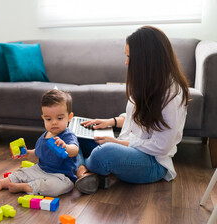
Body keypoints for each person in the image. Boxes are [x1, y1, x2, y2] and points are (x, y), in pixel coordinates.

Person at [75, 26, 190, 194]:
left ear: (146, 59)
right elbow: (135, 118)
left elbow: (161, 147)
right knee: (74, 132)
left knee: (105, 152)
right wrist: (110, 122)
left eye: (129, 56)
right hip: (127, 145)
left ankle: (81, 170)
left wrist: (117, 143)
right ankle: (89, 173)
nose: (126, 62)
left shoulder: (172, 96)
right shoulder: (148, 82)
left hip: (152, 163)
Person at [0, 89, 79, 197]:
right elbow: (37, 153)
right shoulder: (45, 136)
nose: (54, 122)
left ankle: (25, 187)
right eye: (48, 119)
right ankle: (1, 183)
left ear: (69, 117)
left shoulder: (67, 135)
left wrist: (66, 147)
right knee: (22, 172)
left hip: (61, 176)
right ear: (43, 118)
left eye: (60, 118)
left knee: (58, 186)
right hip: (41, 170)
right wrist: (27, 153)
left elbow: (75, 150)